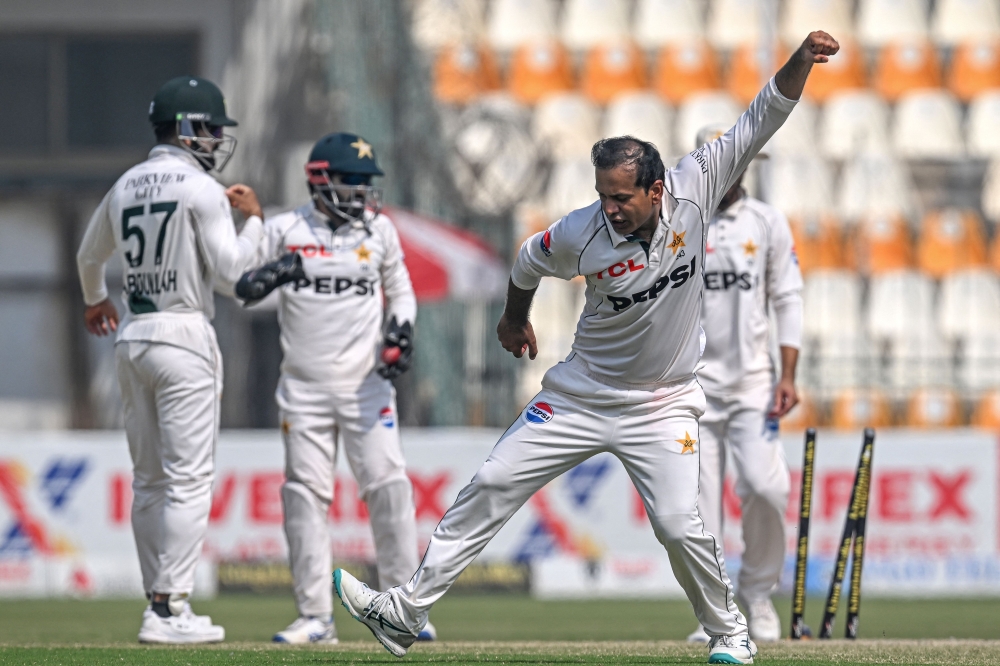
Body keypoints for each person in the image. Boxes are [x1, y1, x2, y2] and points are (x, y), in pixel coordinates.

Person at [334, 32, 839, 665]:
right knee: (492, 482)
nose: (610, 208)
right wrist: (514, 320)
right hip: (579, 396)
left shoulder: (699, 187)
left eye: (621, 196)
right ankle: (405, 614)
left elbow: (763, 114)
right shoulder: (581, 231)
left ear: (657, 190)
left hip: (663, 404)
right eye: (602, 194)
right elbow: (525, 261)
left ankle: (730, 632)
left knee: (680, 526)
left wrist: (799, 60)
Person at [76, 76, 265, 643]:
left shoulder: (126, 184)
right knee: (188, 481)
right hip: (184, 333)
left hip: (133, 336)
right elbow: (235, 278)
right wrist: (254, 220)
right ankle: (168, 609)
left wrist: (94, 302)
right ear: (187, 130)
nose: (215, 140)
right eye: (210, 129)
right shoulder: (200, 187)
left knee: (149, 481)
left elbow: (90, 257)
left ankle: (157, 602)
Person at [235, 132, 433, 645]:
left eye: (369, 184)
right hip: (303, 387)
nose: (364, 194)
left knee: (389, 488)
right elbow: (240, 282)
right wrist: (266, 258)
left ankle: (403, 609)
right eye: (354, 183)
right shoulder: (284, 227)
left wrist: (401, 330)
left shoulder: (380, 231)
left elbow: (402, 291)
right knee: (304, 496)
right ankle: (315, 618)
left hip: (367, 386)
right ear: (321, 181)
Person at [685, 125, 803, 645]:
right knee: (697, 511)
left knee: (766, 487)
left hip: (754, 386)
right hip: (691, 390)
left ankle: (757, 595)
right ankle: (714, 614)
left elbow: (788, 297)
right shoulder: (682, 222)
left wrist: (790, 373)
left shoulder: (767, 221)